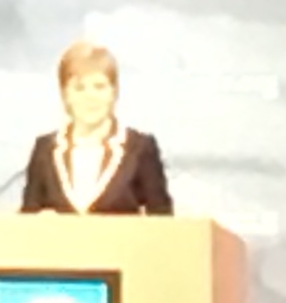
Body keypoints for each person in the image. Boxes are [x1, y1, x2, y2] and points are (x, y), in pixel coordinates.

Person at [20, 43, 173, 216]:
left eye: (99, 87)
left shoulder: (140, 149)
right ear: (65, 95)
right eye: (79, 88)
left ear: (114, 92)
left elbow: (162, 223)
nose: (90, 97)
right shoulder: (45, 150)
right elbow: (27, 223)